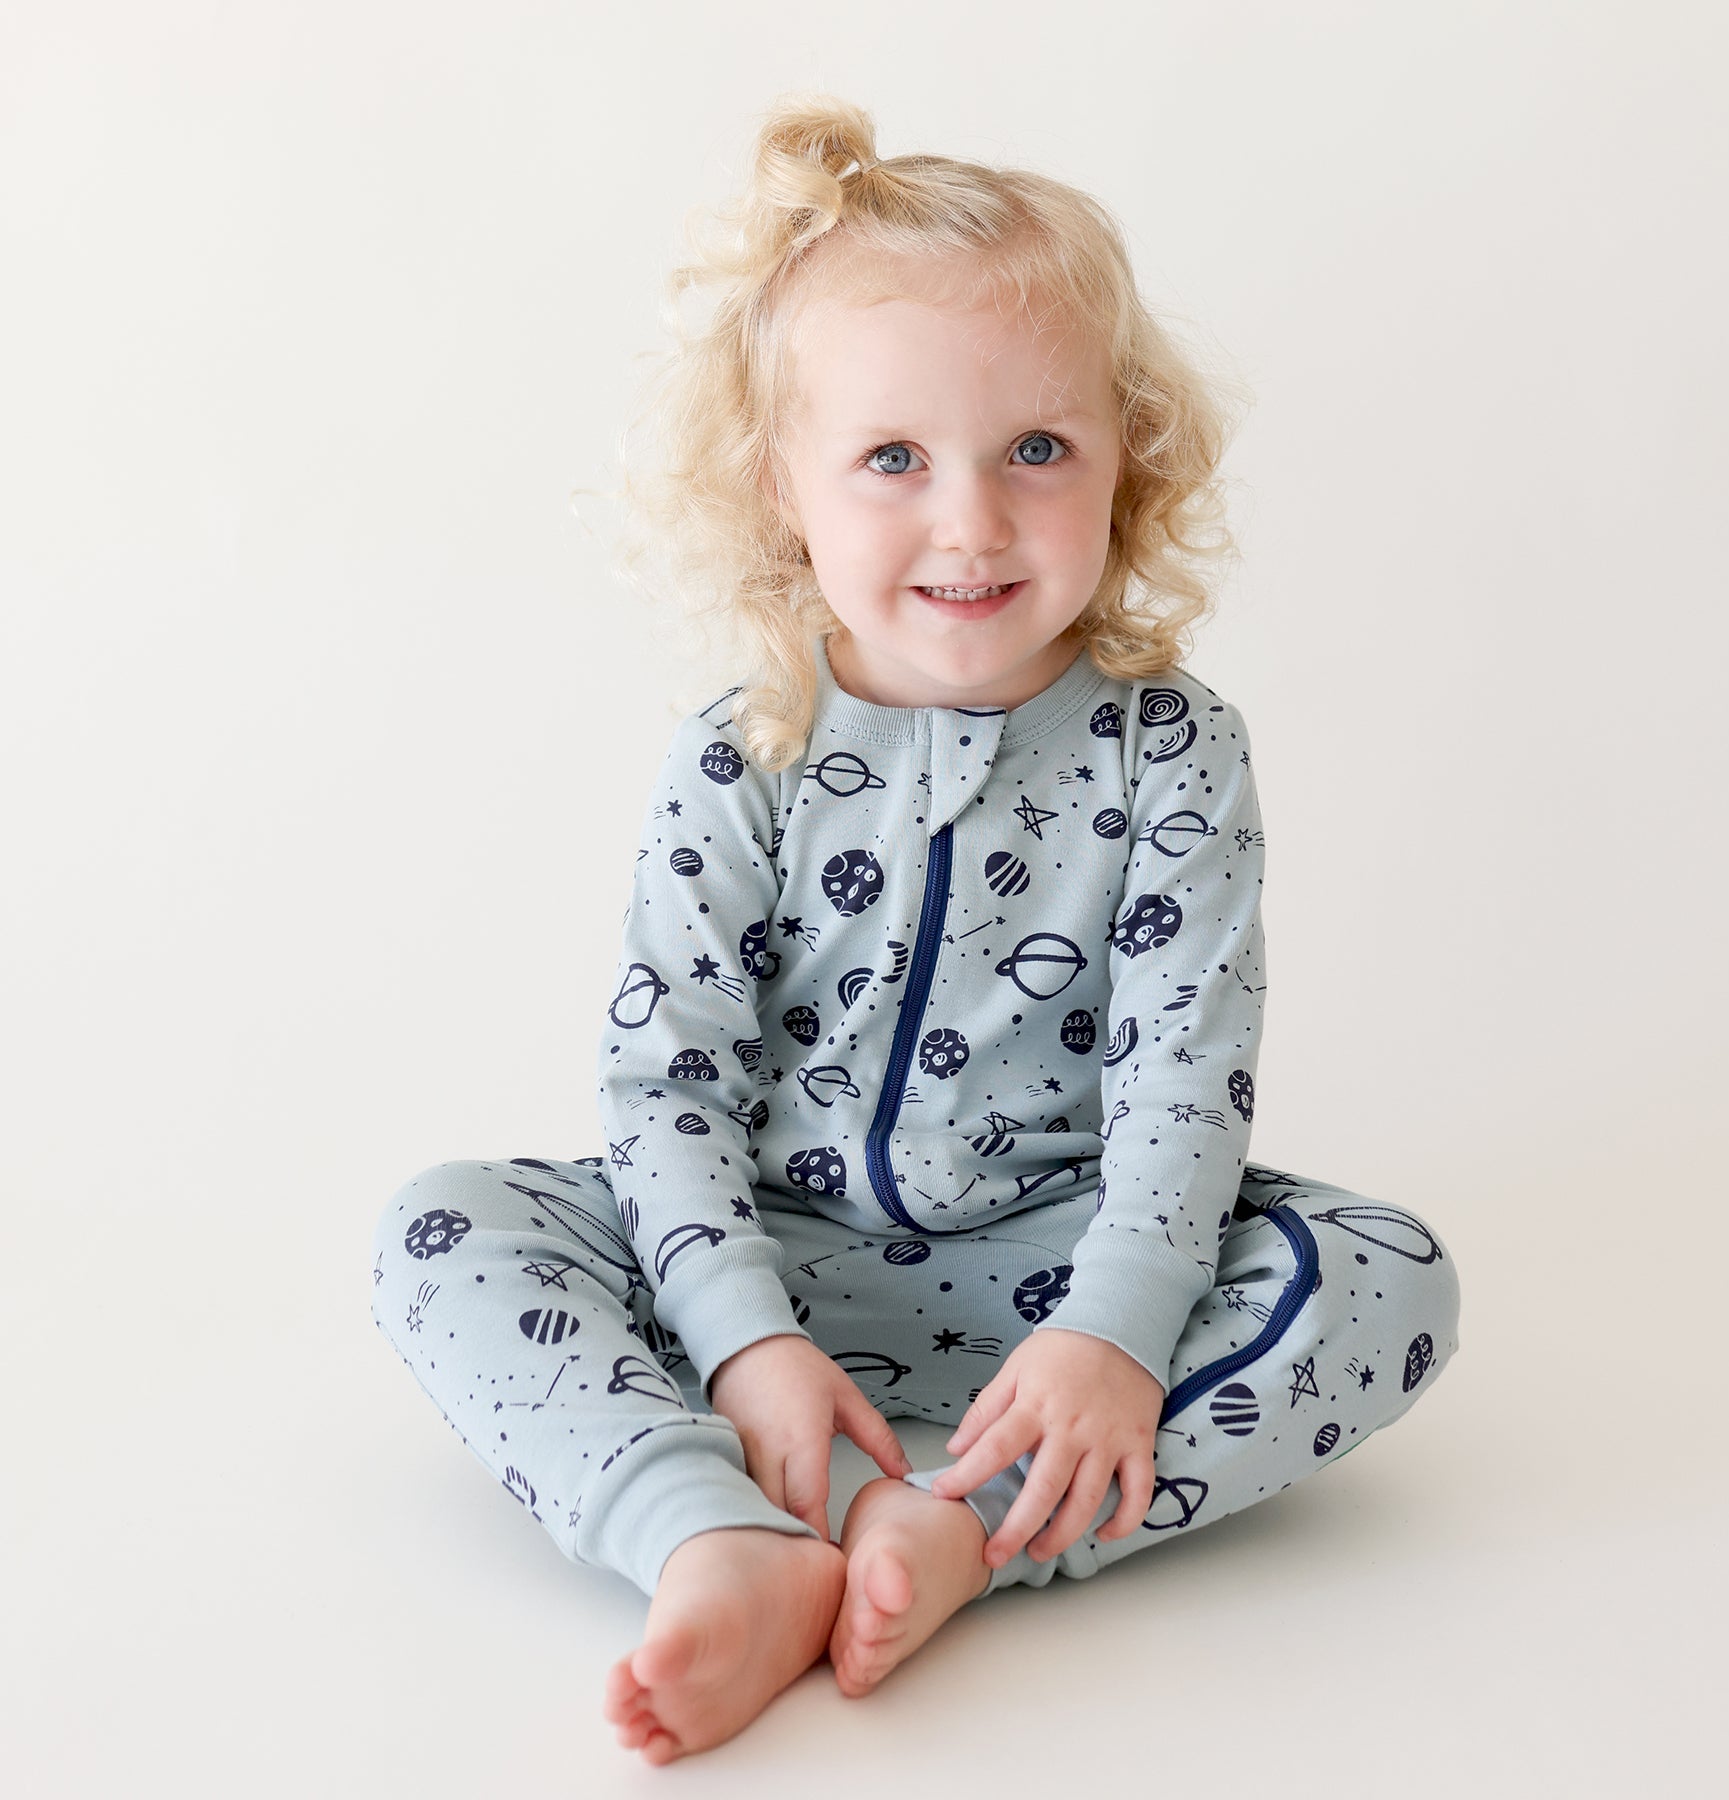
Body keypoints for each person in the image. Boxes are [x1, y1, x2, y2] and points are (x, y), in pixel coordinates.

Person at [368, 93, 1462, 1766]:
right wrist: (741, 1341)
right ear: (782, 487)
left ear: (1126, 459)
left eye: (1038, 450)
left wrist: (1113, 1329)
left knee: (1390, 1279)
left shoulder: (1172, 749)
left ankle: (969, 1525)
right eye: (894, 459)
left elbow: (1187, 1077)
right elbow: (666, 1085)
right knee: (448, 1227)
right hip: (763, 1257)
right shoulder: (746, 751)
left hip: (1058, 1271)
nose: (971, 521)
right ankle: (715, 1532)